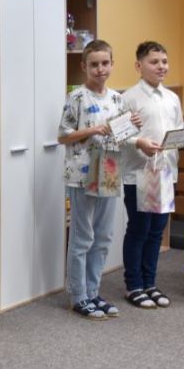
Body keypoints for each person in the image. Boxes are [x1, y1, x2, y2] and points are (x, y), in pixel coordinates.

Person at [57, 40, 139, 319]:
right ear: (84, 66)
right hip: (82, 176)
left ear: (112, 64)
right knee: (82, 238)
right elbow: (63, 136)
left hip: (110, 173)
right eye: (94, 64)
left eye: (105, 63)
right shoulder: (77, 98)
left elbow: (120, 136)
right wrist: (93, 129)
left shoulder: (117, 99)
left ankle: (93, 291)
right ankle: (78, 295)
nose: (100, 69)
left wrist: (132, 128)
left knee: (103, 237)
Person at [119, 41, 184, 309]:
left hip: (166, 174)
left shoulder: (172, 98)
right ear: (139, 65)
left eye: (164, 61)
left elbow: (176, 133)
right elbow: (119, 135)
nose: (161, 66)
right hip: (138, 174)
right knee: (139, 229)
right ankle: (134, 285)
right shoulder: (129, 98)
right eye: (154, 62)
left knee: (157, 231)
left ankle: (149, 283)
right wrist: (139, 142)